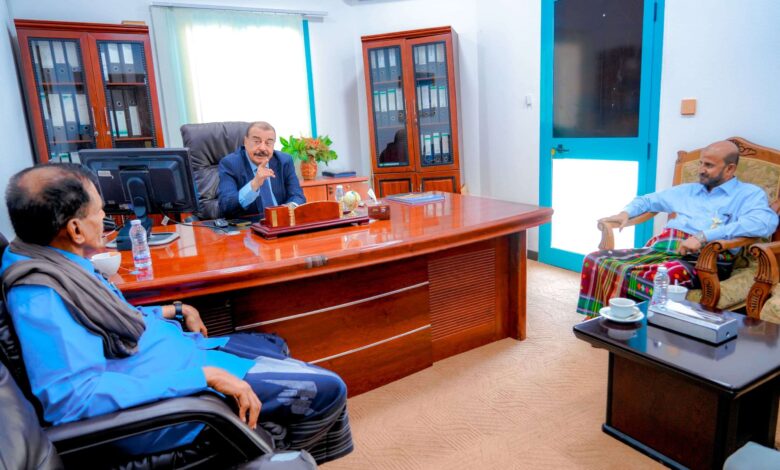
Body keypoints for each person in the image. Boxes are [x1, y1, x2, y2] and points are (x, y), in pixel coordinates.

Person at [0, 164, 352, 464]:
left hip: (173, 353)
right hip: (169, 395)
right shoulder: (40, 296)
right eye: (99, 211)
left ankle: (276, 449)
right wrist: (201, 376)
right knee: (325, 390)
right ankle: (276, 459)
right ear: (75, 229)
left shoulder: (53, 260)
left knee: (273, 345)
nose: (105, 218)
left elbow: (110, 320)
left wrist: (173, 309)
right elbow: (74, 401)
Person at [578, 140, 779, 317]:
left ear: (729, 169)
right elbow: (647, 200)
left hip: (707, 258)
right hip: (663, 249)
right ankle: (600, 319)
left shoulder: (748, 194)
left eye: (708, 165)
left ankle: (646, 328)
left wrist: (703, 236)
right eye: (701, 163)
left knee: (658, 277)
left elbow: (764, 223)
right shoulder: (689, 190)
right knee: (595, 259)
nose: (701, 169)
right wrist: (625, 213)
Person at [217, 121, 306, 219]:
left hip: (281, 222)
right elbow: (226, 206)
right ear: (245, 142)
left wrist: (283, 212)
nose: (263, 148)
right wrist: (254, 184)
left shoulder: (284, 161)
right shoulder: (230, 164)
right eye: (256, 141)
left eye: (268, 143)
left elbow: (298, 196)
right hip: (249, 226)